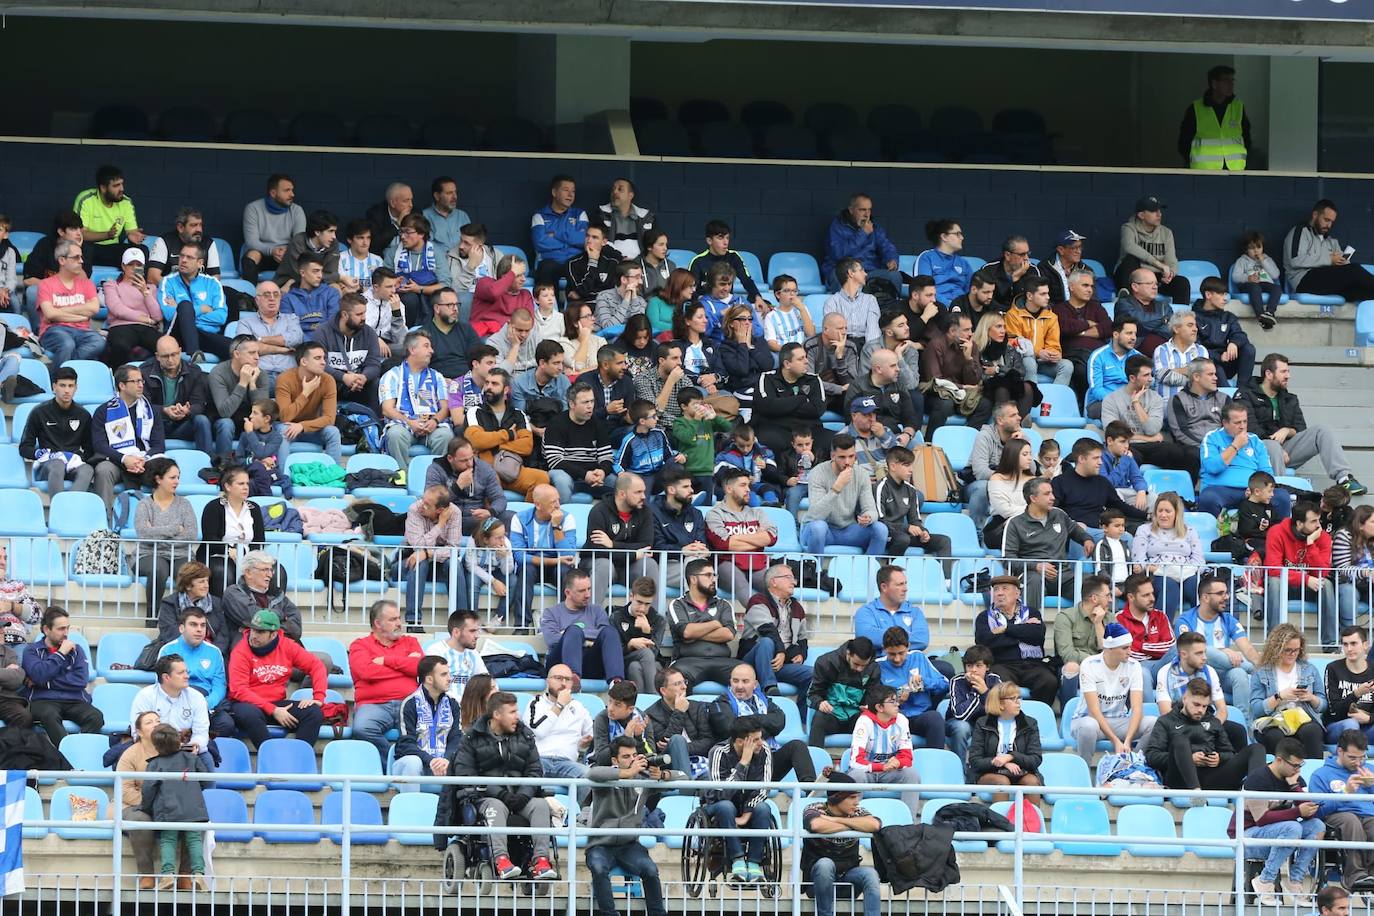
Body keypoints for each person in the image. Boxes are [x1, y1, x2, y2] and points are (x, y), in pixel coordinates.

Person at [450, 691, 559, 881]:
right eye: (512, 712)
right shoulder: (472, 738)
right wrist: (501, 794)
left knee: (540, 805)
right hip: (485, 797)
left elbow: (535, 770)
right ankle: (501, 860)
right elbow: (466, 774)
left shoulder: (525, 735)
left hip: (519, 797)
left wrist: (524, 795)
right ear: (497, 715)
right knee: (496, 806)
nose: (518, 716)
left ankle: (541, 860)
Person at [1238, 353, 1366, 496]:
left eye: (1288, 371)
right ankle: (1280, 495)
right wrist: (1274, 444)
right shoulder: (1246, 394)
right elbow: (1249, 428)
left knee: (1321, 431)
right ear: (1268, 374)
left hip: (1286, 449)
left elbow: (1300, 428)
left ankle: (1344, 478)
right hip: (1257, 449)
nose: (1288, 376)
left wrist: (1287, 431)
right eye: (1283, 372)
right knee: (1273, 447)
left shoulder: (1289, 399)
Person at [585, 736, 674, 916]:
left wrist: (663, 775)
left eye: (634, 755)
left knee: (650, 870)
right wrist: (626, 773)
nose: (632, 760)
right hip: (600, 844)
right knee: (598, 867)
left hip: (630, 845)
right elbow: (592, 774)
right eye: (626, 757)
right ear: (614, 761)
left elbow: (685, 778)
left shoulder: (643, 778)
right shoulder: (606, 778)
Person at [1238, 736, 1326, 907]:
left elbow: (1309, 816)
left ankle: (1295, 881)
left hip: (1281, 836)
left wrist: (1295, 788)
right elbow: (1261, 819)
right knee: (1292, 827)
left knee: (1317, 826)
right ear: (1279, 760)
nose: (1297, 770)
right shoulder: (1257, 779)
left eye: (1301, 765)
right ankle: (1265, 880)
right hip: (1247, 836)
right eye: (1294, 765)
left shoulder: (1296, 780)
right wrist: (1296, 811)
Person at [1145, 677, 1263, 794]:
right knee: (1180, 741)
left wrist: (1219, 758)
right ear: (1185, 699)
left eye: (1204, 706)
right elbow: (1152, 756)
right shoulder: (1166, 721)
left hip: (1212, 776)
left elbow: (1230, 753)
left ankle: (1254, 795)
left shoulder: (1213, 721)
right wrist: (1188, 759)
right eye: (1196, 704)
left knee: (1257, 749)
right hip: (1180, 779)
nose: (1200, 710)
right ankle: (1196, 793)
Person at [226, 609, 324, 748]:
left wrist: (318, 698)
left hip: (277, 703)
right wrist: (273, 710)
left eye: (260, 632)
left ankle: (298, 759)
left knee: (313, 712)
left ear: (273, 634)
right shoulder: (240, 651)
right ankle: (273, 758)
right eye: (253, 630)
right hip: (247, 704)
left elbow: (316, 666)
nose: (253, 635)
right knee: (250, 714)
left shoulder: (287, 645)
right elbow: (239, 690)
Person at [1001, 478, 1094, 613]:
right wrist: (1036, 566)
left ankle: (1093, 628)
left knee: (1092, 583)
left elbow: (1074, 529)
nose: (1053, 497)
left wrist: (1086, 539)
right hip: (1032, 575)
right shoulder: (1015, 523)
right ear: (1033, 498)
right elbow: (1007, 560)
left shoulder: (1059, 514)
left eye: (1052, 493)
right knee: (1033, 580)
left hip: (1063, 575)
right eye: (1047, 494)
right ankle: (1029, 625)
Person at [1069, 621, 1156, 763]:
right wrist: (1115, 741)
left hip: (1119, 720)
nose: (1130, 652)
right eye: (1125, 648)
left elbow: (1137, 708)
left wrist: (1127, 740)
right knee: (1088, 727)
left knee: (1154, 723)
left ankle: (1133, 763)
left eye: (1130, 646)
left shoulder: (1134, 666)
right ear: (1109, 648)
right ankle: (1084, 769)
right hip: (1090, 720)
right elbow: (1093, 710)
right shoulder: (1089, 664)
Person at [348, 600, 423, 758]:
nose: (399, 623)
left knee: (431, 727)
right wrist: (405, 666)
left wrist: (387, 661)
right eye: (392, 619)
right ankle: (394, 762)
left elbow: (419, 668)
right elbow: (366, 672)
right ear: (378, 623)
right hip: (374, 705)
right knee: (362, 728)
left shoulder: (410, 641)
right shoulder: (359, 645)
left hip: (410, 703)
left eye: (398, 618)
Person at [704, 716, 775, 885]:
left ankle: (754, 863)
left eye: (761, 737)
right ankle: (737, 861)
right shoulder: (718, 752)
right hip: (718, 805)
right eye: (755, 740)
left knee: (764, 808)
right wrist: (743, 763)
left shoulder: (764, 750)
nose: (761, 743)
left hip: (747, 806)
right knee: (726, 806)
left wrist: (748, 812)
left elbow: (764, 788)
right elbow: (720, 793)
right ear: (740, 741)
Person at [140, 722, 209, 891]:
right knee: (194, 839)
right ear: (179, 741)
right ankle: (199, 875)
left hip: (168, 810)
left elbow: (148, 790)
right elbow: (207, 780)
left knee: (168, 840)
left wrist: (145, 807)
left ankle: (168, 875)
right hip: (193, 808)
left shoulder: (155, 764)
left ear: (156, 745)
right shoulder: (192, 759)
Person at [1101, 355, 1198, 474]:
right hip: (1127, 446)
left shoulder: (1155, 398)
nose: (1151, 379)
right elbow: (1113, 434)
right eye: (1146, 375)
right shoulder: (1111, 399)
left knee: (1188, 455)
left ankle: (1184, 491)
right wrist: (1149, 438)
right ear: (1132, 378)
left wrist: (1136, 403)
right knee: (1128, 458)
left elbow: (1152, 429)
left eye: (1151, 374)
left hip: (1152, 447)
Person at [1155, 630, 1249, 751]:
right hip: (1178, 725)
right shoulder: (1165, 672)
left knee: (1238, 731)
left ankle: (1240, 768)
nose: (1204, 657)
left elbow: (1222, 710)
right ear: (1183, 654)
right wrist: (1193, 731)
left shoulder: (1210, 671)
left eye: (1204, 652)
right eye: (1199, 653)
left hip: (1205, 722)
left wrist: (1210, 728)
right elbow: (1165, 712)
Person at [1265, 500, 1341, 649]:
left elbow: (1323, 572)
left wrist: (1311, 544)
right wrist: (1305, 579)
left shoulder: (1323, 537)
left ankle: (1330, 644)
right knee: (1274, 582)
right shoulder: (1277, 532)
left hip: (1309, 587)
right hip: (1285, 585)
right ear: (1299, 524)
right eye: (1313, 521)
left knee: (1327, 585)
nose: (1318, 525)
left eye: (1319, 520)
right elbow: (1273, 569)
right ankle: (1274, 643)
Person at [22, 607, 103, 747]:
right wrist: (61, 654)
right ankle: (67, 755)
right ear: (47, 629)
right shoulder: (32, 650)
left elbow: (80, 681)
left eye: (67, 628)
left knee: (96, 717)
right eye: (61, 629)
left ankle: (76, 750)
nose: (66, 633)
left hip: (75, 700)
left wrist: (44, 682)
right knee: (49, 715)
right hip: (43, 700)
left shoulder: (77, 650)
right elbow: (39, 674)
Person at [1198, 400, 1293, 519]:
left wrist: (1255, 489)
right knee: (1208, 498)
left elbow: (1267, 474)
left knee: (1282, 497)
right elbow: (1212, 467)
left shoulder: (1255, 441)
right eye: (1237, 423)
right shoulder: (1212, 438)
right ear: (1225, 423)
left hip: (1252, 491)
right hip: (1220, 490)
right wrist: (1235, 446)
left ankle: (1278, 536)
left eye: (1245, 422)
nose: (1242, 426)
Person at [975, 575, 1058, 706]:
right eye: (996, 589)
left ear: (1017, 593)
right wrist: (1022, 633)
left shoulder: (1031, 612)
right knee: (999, 681)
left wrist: (1005, 629)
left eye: (1005, 588)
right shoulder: (984, 617)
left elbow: (1037, 635)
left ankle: (1037, 716)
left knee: (1049, 680)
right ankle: (1010, 718)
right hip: (1001, 664)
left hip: (1032, 665)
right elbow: (986, 643)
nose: (999, 593)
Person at [1176, 574, 1258, 705]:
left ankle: (1245, 723)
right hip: (1197, 674)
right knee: (1204, 650)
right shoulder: (1185, 620)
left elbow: (1247, 648)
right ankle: (1251, 669)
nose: (1226, 597)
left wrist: (1261, 664)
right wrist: (1223, 650)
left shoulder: (1228, 619)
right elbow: (1190, 650)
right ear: (1205, 597)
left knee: (1239, 674)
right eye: (1220, 593)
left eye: (1226, 593)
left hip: (1222, 672)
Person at [1308, 729, 1374, 889]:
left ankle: (1372, 874)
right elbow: (1317, 810)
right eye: (1352, 758)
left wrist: (1371, 787)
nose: (1358, 763)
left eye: (1361, 757)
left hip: (1368, 814)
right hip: (1336, 815)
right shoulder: (1321, 774)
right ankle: (1355, 875)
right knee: (1350, 821)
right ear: (1339, 751)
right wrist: (1346, 793)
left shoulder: (1369, 770)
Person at [1249, 624, 1328, 757]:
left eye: (1296, 650)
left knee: (1313, 731)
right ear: (1276, 649)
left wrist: (1311, 697)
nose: (1293, 654)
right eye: (1288, 650)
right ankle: (1277, 775)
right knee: (1274, 736)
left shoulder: (1309, 669)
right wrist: (1279, 696)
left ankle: (1313, 773)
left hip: (1302, 718)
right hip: (1273, 719)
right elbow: (1256, 709)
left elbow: (1323, 705)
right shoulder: (1261, 672)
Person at [801, 434, 887, 556]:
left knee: (880, 529)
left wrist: (868, 517)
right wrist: (836, 488)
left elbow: (871, 509)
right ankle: (815, 572)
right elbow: (815, 515)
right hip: (821, 530)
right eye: (842, 457)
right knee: (818, 528)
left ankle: (870, 572)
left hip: (849, 530)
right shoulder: (818, 473)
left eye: (851, 456)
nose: (847, 462)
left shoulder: (861, 474)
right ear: (833, 456)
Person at [844, 685, 922, 819]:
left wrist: (898, 762)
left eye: (896, 700)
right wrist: (881, 766)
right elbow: (855, 761)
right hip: (867, 772)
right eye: (892, 702)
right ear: (879, 707)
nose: (898, 704)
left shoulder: (902, 720)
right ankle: (853, 821)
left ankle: (909, 823)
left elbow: (908, 757)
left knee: (912, 774)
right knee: (856, 776)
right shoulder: (864, 721)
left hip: (890, 772)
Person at [157, 604, 234, 738]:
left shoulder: (214, 652)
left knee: (226, 724)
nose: (199, 630)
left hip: (206, 703)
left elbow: (219, 685)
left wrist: (206, 703)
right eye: (193, 625)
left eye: (202, 625)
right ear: (181, 628)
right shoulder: (167, 650)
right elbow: (162, 685)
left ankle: (203, 750)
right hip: (176, 702)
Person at [18, 366, 96, 495]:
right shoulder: (39, 412)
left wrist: (77, 457)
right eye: (62, 385)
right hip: (48, 465)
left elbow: (90, 449)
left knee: (87, 469)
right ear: (54, 387)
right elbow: (25, 447)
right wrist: (39, 454)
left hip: (73, 465)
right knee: (58, 464)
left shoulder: (84, 415)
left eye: (71, 386)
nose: (67, 390)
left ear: (76, 388)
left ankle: (70, 507)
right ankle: (57, 508)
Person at [379, 329, 453, 466]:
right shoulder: (392, 375)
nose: (431, 351)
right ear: (412, 350)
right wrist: (409, 422)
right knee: (394, 434)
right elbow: (387, 410)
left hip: (432, 425)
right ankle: (403, 477)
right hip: (403, 425)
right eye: (426, 346)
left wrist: (435, 421)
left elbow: (445, 407)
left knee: (446, 436)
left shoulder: (437, 376)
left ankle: (434, 478)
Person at [133, 456, 197, 614]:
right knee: (159, 569)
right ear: (158, 479)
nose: (176, 481)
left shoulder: (184, 504)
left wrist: (156, 532)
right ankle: (152, 617)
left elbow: (191, 535)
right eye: (172, 477)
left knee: (186, 572)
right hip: (148, 554)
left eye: (178, 477)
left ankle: (184, 618)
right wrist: (175, 528)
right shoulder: (144, 505)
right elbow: (143, 534)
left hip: (180, 554)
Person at [583, 473, 658, 604]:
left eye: (644, 491)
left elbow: (646, 546)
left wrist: (612, 544)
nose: (643, 497)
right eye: (638, 492)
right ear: (622, 494)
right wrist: (633, 554)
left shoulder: (645, 512)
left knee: (649, 564)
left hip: (627, 569)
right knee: (605, 565)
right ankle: (590, 619)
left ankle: (654, 620)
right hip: (598, 565)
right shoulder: (599, 511)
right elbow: (597, 550)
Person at [130, 654, 213, 772]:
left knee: (206, 760)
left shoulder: (197, 697)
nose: (187, 676)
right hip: (154, 747)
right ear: (166, 677)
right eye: (181, 673)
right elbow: (138, 732)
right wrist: (168, 746)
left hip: (186, 747)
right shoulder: (145, 696)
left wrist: (195, 745)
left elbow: (201, 731)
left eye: (186, 672)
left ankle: (207, 791)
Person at [706, 466, 779, 600]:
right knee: (741, 585)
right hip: (727, 566)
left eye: (749, 485)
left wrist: (736, 538)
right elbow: (723, 544)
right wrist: (757, 540)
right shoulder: (715, 514)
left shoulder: (757, 513)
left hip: (756, 566)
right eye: (743, 485)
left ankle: (781, 619)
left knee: (778, 586)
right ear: (729, 489)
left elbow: (771, 537)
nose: (748, 490)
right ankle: (761, 620)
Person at [540, 568, 623, 683]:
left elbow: (605, 635)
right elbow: (552, 640)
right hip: (560, 664)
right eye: (582, 591)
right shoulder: (551, 612)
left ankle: (616, 682)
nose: (588, 595)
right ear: (567, 593)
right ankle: (572, 679)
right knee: (574, 631)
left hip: (590, 663)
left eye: (589, 589)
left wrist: (571, 635)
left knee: (610, 631)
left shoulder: (597, 610)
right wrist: (578, 637)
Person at [1282, 199, 1374, 304]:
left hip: (1325, 281)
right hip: (1303, 280)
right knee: (1355, 269)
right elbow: (1295, 260)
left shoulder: (1331, 241)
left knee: (1361, 291)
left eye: (1332, 222)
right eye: (1326, 220)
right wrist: (1329, 260)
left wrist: (1341, 262)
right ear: (1315, 215)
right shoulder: (1300, 231)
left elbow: (1345, 269)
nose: (1329, 225)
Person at [392, 655, 461, 792]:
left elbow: (457, 739)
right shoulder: (410, 703)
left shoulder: (453, 704)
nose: (449, 678)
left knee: (465, 761)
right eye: (443, 674)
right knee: (413, 762)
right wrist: (430, 760)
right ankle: (410, 810)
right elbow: (406, 744)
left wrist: (446, 760)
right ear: (429, 679)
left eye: (449, 674)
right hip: (414, 765)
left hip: (444, 764)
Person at [1052, 439, 1147, 538]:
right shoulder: (1060, 482)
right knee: (1080, 531)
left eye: (1100, 458)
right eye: (1096, 458)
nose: (1100, 462)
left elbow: (1120, 506)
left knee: (1130, 535)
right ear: (1081, 459)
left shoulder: (1102, 482)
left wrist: (1147, 516)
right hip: (1073, 532)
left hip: (1100, 530)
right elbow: (1053, 511)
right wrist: (1071, 525)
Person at [1131, 490, 1204, 619]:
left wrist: (1184, 571)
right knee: (1169, 586)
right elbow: (1139, 559)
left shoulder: (1190, 531)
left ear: (1177, 513)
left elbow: (1199, 561)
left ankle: (1201, 630)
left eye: (1168, 511)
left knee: (1196, 585)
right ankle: (1160, 633)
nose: (1163, 515)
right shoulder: (1144, 530)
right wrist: (1154, 568)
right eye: (1160, 511)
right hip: (1157, 573)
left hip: (1185, 573)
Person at [404, 484, 470, 625]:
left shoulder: (454, 513)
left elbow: (453, 548)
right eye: (422, 499)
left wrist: (428, 553)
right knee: (419, 562)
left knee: (454, 564)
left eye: (427, 504)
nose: (422, 505)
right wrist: (440, 525)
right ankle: (413, 621)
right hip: (409, 562)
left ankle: (462, 622)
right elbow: (418, 545)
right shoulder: (414, 510)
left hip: (438, 563)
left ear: (440, 510)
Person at [967, 680, 1044, 801]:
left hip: (1021, 772)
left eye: (1019, 698)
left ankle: (1032, 820)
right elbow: (975, 760)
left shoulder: (1029, 724)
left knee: (1032, 782)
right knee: (1002, 781)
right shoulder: (982, 723)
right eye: (1013, 699)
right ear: (1000, 703)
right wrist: (1000, 762)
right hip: (989, 774)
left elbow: (1035, 759)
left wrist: (1011, 756)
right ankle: (999, 820)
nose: (1018, 702)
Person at [919, 311, 991, 438]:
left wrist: (968, 359)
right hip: (937, 394)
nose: (971, 334)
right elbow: (935, 381)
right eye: (966, 330)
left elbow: (973, 381)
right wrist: (961, 387)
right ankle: (930, 443)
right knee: (945, 404)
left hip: (962, 395)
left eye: (971, 329)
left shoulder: (971, 346)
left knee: (985, 405)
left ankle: (967, 440)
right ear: (952, 331)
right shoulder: (936, 345)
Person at [522, 665, 594, 789]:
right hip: (539, 760)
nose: (564, 683)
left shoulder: (578, 707)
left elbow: (590, 736)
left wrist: (583, 745)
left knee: (589, 776)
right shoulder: (535, 703)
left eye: (568, 679)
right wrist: (559, 705)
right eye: (558, 678)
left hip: (567, 763)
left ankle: (581, 809)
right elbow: (537, 731)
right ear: (547, 681)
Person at [876, 445, 952, 561]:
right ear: (893, 466)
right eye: (906, 465)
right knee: (903, 539)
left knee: (944, 541)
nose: (911, 469)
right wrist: (906, 528)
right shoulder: (881, 487)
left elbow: (915, 520)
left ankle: (946, 579)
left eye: (911, 465)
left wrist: (923, 532)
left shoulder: (911, 490)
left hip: (903, 534)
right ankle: (890, 572)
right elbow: (880, 521)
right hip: (886, 535)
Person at [877, 625, 948, 749]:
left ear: (908, 646)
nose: (897, 659)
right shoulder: (878, 666)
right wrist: (895, 700)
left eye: (901, 653)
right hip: (892, 718)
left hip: (919, 716)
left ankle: (934, 764)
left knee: (935, 718)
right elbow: (874, 699)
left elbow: (945, 685)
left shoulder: (918, 657)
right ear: (884, 649)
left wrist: (925, 682)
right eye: (892, 654)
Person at [37, 238, 105, 366]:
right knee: (67, 344)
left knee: (99, 342)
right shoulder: (46, 284)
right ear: (62, 260)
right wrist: (81, 316)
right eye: (76, 257)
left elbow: (94, 308)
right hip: (54, 330)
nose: (81, 261)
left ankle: (66, 370)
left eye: (81, 257)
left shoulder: (87, 284)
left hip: (83, 332)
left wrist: (60, 311)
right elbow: (50, 314)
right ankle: (58, 379)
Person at [756, 342, 829, 457]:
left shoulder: (813, 380)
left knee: (833, 441)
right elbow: (767, 406)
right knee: (770, 440)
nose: (807, 361)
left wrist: (783, 404)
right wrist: (800, 399)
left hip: (809, 430)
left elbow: (818, 409)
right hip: (778, 430)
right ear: (787, 364)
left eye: (805, 357)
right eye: (801, 359)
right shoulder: (768, 378)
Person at [1054, 574, 1117, 706]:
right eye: (1107, 595)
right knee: (1072, 667)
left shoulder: (1110, 618)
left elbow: (1111, 652)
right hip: (1079, 667)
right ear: (1094, 598)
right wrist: (1095, 662)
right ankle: (1068, 713)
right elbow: (1067, 654)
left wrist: (1098, 624)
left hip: (1103, 668)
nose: (1110, 600)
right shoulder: (1065, 618)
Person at [273, 341, 342, 462]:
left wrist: (302, 426)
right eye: (317, 358)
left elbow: (330, 419)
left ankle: (333, 475)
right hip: (288, 428)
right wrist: (305, 393)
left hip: (311, 429)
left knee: (333, 432)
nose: (323, 362)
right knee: (283, 430)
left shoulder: (328, 380)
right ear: (304, 361)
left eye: (324, 358)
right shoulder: (285, 379)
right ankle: (283, 477)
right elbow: (284, 417)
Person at [218, 550, 300, 652]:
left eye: (271, 570)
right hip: (250, 650)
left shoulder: (278, 595)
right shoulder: (233, 593)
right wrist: (281, 616)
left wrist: (266, 625)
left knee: (323, 661)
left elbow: (296, 629)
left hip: (283, 649)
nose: (269, 575)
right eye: (265, 570)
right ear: (248, 573)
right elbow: (256, 618)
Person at [425, 437, 508, 537]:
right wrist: (457, 487)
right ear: (450, 458)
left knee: (509, 516)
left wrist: (490, 512)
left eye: (471, 458)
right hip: (446, 519)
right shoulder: (436, 470)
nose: (470, 464)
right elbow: (432, 502)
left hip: (477, 520)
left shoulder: (484, 468)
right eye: (463, 460)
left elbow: (499, 498)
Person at [1115, 197, 1188, 307]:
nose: (1159, 214)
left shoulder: (1166, 232)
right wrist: (1158, 264)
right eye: (1154, 211)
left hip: (1155, 277)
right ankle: (1126, 302)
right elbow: (1129, 246)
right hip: (1132, 276)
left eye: (1160, 211)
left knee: (1182, 283)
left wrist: (1170, 274)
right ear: (1141, 215)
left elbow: (1171, 260)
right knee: (1130, 259)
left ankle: (1181, 319)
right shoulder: (1128, 228)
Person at [645, 667, 716, 777]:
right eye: (678, 684)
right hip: (671, 767)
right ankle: (686, 786)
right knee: (677, 739)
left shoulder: (696, 707)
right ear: (663, 690)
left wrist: (682, 747)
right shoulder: (651, 715)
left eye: (684, 682)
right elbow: (665, 748)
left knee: (710, 778)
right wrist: (679, 712)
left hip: (699, 760)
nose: (684, 686)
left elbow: (708, 741)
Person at [808, 637, 880, 746]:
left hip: (855, 717)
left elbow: (873, 697)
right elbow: (812, 695)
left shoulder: (873, 668)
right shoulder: (826, 662)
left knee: (871, 721)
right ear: (848, 653)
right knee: (819, 718)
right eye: (856, 664)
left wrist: (869, 706)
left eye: (864, 665)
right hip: (832, 715)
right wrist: (819, 703)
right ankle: (814, 759)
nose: (860, 669)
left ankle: (869, 761)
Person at [1179, 64, 1250, 170]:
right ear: (1214, 84)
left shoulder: (1238, 107)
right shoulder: (1195, 109)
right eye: (1226, 80)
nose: (1230, 84)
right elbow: (1183, 143)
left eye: (1232, 80)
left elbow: (1247, 138)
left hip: (1235, 170)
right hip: (1204, 171)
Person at [846, 349, 920, 451]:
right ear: (878, 369)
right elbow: (851, 418)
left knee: (918, 450)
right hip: (867, 438)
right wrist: (880, 434)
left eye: (897, 365)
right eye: (893, 366)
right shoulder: (858, 387)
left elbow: (910, 417)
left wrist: (907, 435)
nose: (898, 369)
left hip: (895, 435)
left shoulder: (899, 385)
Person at [207, 335, 268, 457]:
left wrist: (252, 385)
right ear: (237, 354)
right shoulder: (218, 373)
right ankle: (223, 466)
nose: (257, 357)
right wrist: (242, 383)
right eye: (251, 353)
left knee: (268, 425)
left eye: (258, 352)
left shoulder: (260, 374)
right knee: (226, 424)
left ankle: (261, 467)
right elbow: (225, 412)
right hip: (220, 422)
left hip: (249, 421)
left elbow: (264, 413)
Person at [1004, 275, 1072, 386]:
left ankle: (1054, 400)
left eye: (1048, 293)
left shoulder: (1052, 317)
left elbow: (1054, 345)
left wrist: (1054, 354)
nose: (1048, 297)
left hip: (1044, 362)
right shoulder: (1012, 315)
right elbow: (1014, 345)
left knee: (1067, 365)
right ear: (1030, 296)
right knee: (1029, 362)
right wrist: (1038, 353)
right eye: (1043, 294)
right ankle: (1032, 399)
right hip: (1021, 361)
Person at [73, 164, 145, 267]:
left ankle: (137, 282)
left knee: (140, 251)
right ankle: (84, 281)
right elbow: (79, 234)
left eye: (122, 184)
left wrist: (133, 236)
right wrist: (107, 235)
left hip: (112, 249)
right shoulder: (85, 199)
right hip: (89, 249)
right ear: (103, 188)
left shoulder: (126, 202)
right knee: (81, 248)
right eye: (116, 186)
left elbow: (131, 231)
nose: (121, 189)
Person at [101, 247, 163, 366]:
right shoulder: (112, 285)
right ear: (123, 266)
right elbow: (117, 309)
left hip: (146, 328)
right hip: (121, 326)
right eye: (130, 264)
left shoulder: (151, 288)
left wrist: (145, 292)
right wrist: (144, 318)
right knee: (120, 345)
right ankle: (118, 378)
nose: (135, 268)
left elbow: (158, 316)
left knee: (164, 345)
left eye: (138, 265)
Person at [972, 311, 1039, 421]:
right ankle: (1008, 427)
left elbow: (1020, 372)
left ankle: (1016, 424)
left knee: (1027, 387)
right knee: (1002, 388)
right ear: (987, 329)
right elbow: (980, 375)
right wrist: (1004, 374)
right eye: (998, 327)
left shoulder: (1009, 349)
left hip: (1010, 389)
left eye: (1004, 327)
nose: (1003, 331)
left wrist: (998, 370)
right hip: (986, 391)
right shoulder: (977, 349)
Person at [238, 281, 303, 391]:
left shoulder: (291, 319)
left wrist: (261, 340)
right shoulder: (245, 323)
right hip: (259, 376)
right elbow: (247, 349)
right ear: (257, 300)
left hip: (289, 376)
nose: (272, 298)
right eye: (267, 295)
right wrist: (282, 349)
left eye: (276, 294)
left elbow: (295, 339)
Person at [689, 219, 766, 309]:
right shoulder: (698, 261)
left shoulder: (733, 257)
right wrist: (704, 302)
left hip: (727, 306)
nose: (725, 242)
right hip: (704, 306)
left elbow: (747, 280)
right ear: (709, 240)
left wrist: (758, 297)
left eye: (727, 238)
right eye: (720, 237)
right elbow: (691, 289)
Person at [1193, 277, 1255, 386]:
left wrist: (1234, 343)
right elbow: (1195, 348)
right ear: (1208, 295)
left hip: (1226, 360)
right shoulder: (1193, 318)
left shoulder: (1228, 317)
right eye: (1221, 294)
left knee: (1248, 349)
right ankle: (1228, 398)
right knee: (1216, 368)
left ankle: (1243, 390)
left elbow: (1240, 334)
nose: (1225, 299)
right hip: (1207, 363)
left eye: (1225, 294)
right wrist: (1218, 357)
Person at [241, 174, 304, 281]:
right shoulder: (253, 208)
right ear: (273, 193)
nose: (292, 194)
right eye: (287, 190)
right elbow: (251, 241)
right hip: (263, 253)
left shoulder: (297, 210)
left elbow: (300, 240)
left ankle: (293, 294)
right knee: (252, 255)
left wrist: (287, 251)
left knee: (300, 256)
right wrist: (272, 250)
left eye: (292, 190)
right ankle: (249, 293)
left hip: (287, 255)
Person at [608, 577, 664, 695]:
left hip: (650, 664)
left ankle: (638, 706)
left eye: (647, 604)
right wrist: (629, 645)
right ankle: (654, 699)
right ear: (631, 596)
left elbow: (654, 653)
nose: (642, 608)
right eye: (639, 602)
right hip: (624, 661)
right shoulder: (616, 616)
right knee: (644, 654)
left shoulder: (658, 620)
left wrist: (646, 631)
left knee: (635, 666)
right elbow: (614, 653)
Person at [945, 645, 1002, 762]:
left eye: (978, 666)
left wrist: (985, 692)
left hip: (985, 723)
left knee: (995, 726)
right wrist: (976, 691)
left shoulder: (995, 680)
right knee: (962, 728)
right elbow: (960, 715)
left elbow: (999, 711)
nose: (973, 670)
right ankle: (960, 770)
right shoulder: (957, 681)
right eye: (969, 666)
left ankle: (985, 769)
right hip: (958, 722)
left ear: (987, 667)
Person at [530, 174, 588, 288]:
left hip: (575, 262)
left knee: (585, 268)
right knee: (547, 268)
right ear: (554, 193)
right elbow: (540, 243)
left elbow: (584, 240)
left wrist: (556, 234)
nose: (570, 195)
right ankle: (551, 306)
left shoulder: (580, 214)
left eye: (573, 191)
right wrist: (571, 240)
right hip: (551, 262)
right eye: (566, 190)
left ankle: (577, 306)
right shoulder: (539, 216)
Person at [155, 562, 227, 653]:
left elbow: (223, 634)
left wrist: (212, 652)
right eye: (201, 582)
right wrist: (195, 651)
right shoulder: (170, 603)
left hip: (210, 652)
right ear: (188, 585)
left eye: (207, 581)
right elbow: (169, 633)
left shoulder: (216, 603)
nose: (206, 586)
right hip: (180, 652)